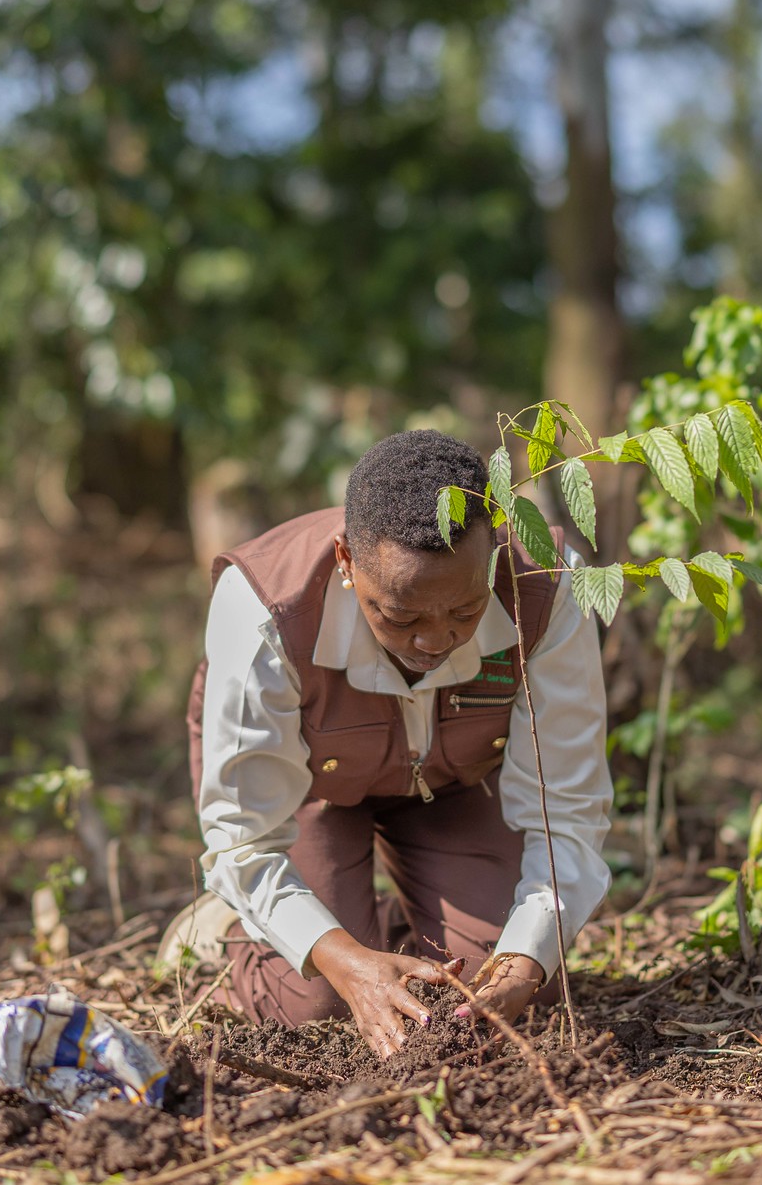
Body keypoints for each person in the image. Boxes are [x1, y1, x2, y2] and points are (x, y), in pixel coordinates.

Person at [168, 429, 612, 1058]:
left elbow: (567, 810)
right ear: (347, 561)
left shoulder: (547, 584)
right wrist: (343, 961)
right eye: (402, 616)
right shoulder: (267, 609)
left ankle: (386, 927)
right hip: (307, 790)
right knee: (316, 1003)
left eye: (465, 612)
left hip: (454, 786)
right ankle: (225, 930)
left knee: (510, 982)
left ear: (492, 557)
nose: (437, 641)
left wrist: (524, 960)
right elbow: (246, 838)